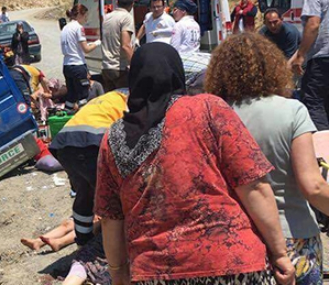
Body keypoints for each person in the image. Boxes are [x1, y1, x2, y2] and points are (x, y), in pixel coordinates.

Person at [94, 42, 295, 285]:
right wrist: (280, 253)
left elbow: (110, 218)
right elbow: (254, 186)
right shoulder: (207, 108)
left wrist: (118, 274)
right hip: (231, 264)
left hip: (155, 272)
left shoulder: (113, 138)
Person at [206, 32, 329, 285]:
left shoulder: (215, 116)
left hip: (239, 242)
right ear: (271, 66)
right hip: (295, 237)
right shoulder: (292, 111)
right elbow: (312, 186)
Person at [50, 90, 128, 246]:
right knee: (114, 197)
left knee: (84, 192)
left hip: (63, 144)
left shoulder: (105, 99)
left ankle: (83, 242)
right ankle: (114, 245)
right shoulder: (127, 100)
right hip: (92, 143)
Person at [289, 0, 329, 131]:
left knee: (313, 101)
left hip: (322, 57)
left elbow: (313, 25)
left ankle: (325, 150)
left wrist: (301, 55)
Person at [60, 4, 101, 111]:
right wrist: (97, 42)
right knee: (83, 96)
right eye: (85, 16)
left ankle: (66, 117)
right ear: (80, 15)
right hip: (78, 65)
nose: (86, 19)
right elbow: (86, 49)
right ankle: (86, 120)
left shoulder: (65, 28)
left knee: (71, 96)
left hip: (67, 65)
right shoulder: (78, 28)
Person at [101, 0, 135, 92]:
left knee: (110, 102)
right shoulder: (126, 18)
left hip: (106, 67)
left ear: (117, 2)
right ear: (132, 4)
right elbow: (125, 46)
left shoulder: (107, 17)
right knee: (123, 102)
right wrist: (135, 65)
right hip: (119, 68)